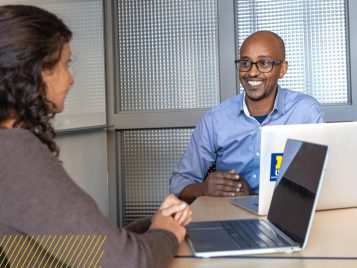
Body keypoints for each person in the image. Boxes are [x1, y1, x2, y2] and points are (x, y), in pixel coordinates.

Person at [0, 5, 192, 268]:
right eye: (65, 64)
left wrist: (157, 223)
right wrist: (168, 233)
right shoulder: (13, 150)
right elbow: (126, 262)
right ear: (38, 70)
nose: (71, 79)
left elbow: (87, 248)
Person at [170, 30, 324, 203]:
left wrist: (252, 198)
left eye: (264, 63)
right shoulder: (215, 119)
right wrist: (203, 189)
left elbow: (319, 182)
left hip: (286, 214)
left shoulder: (305, 112)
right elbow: (179, 181)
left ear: (282, 69)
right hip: (229, 215)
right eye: (245, 63)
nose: (252, 72)